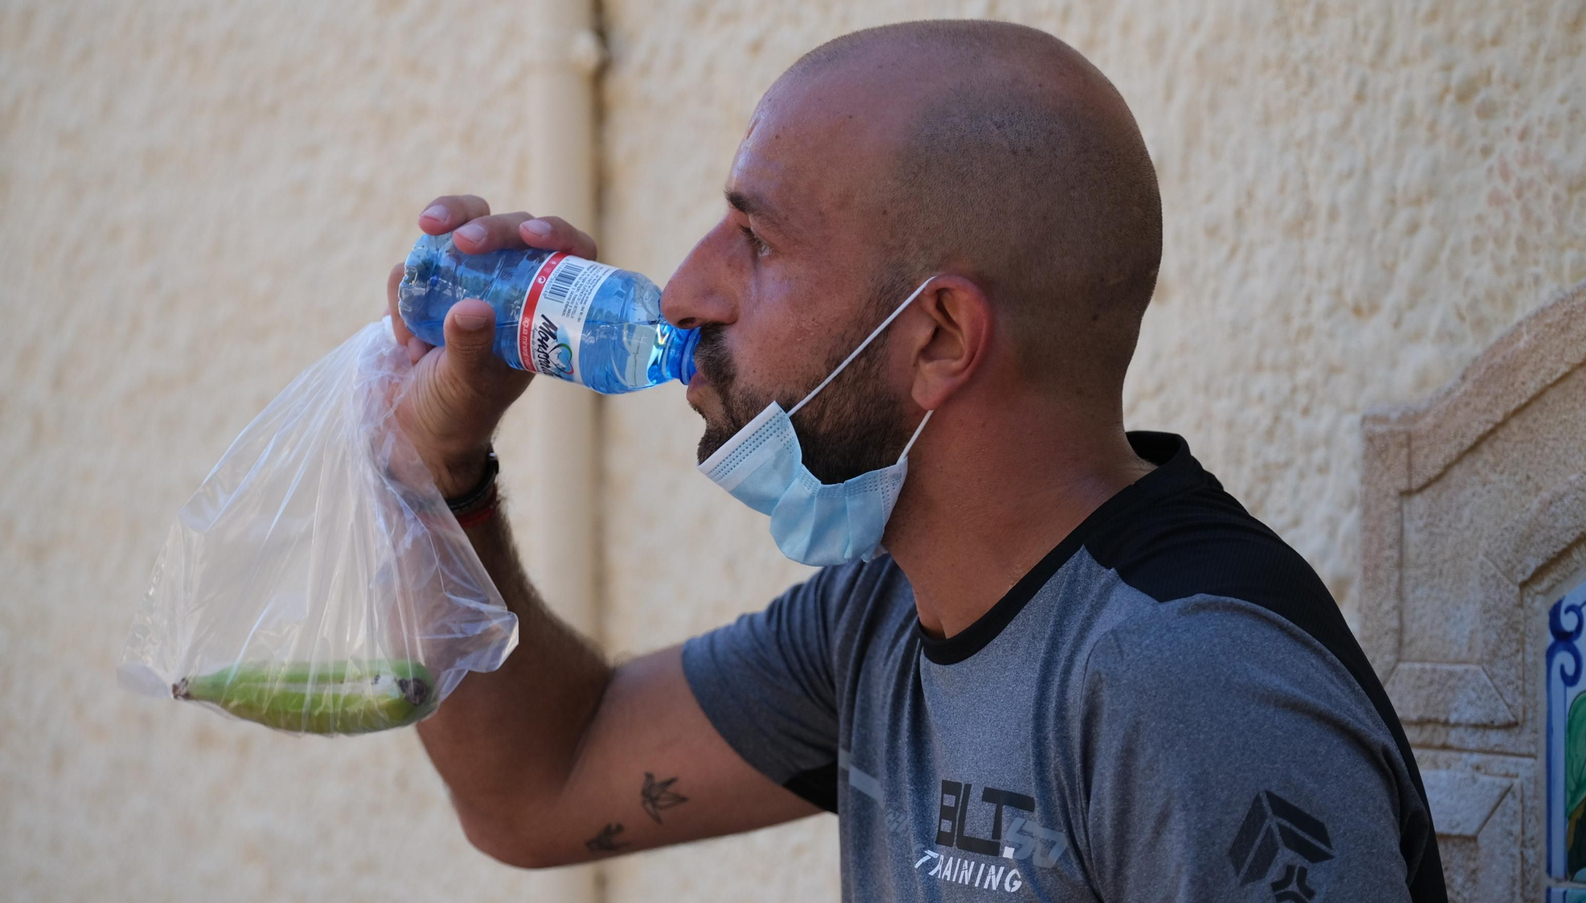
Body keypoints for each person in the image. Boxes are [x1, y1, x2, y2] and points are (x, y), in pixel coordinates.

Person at [385, 19, 1446, 903]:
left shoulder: (1189, 683)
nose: (682, 291)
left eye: (754, 243)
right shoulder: (883, 618)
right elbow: (537, 789)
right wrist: (442, 467)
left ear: (939, 335)